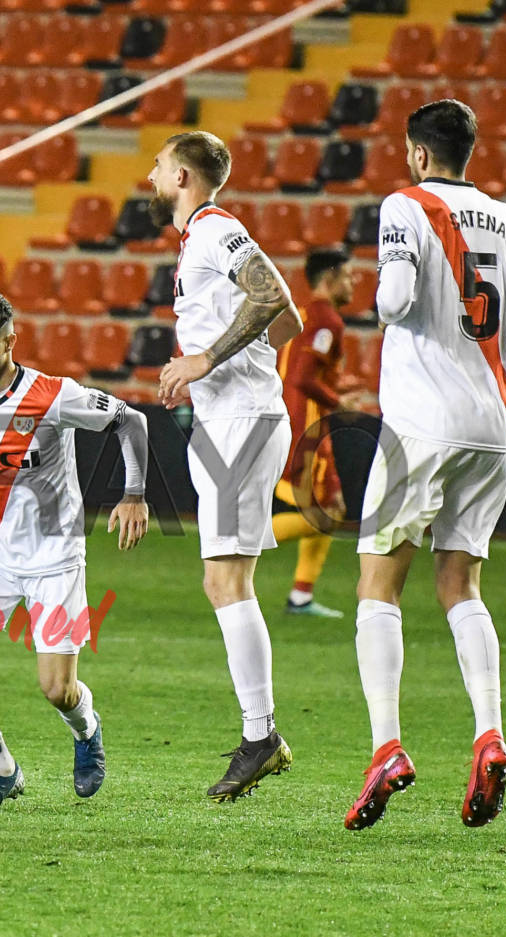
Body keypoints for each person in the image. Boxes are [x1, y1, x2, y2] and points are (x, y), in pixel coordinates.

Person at [345, 100, 506, 831]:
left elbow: (395, 298)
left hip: (420, 422)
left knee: (379, 583)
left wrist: (388, 293)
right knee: (461, 582)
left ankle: (386, 746)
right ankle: (490, 732)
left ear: (417, 152)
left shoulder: (404, 204)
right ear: (470, 150)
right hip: (491, 426)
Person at [0, 291, 149, 813]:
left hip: (54, 557)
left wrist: (135, 494)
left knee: (57, 690)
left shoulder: (54, 396)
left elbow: (132, 421)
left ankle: (87, 728)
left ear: (11, 340)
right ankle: (2, 771)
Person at [148, 131, 303, 802]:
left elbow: (272, 297)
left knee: (225, 580)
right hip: (229, 420)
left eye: (158, 164)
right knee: (224, 579)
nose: (150, 172)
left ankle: (261, 734)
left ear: (182, 175)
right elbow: (289, 319)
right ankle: (258, 732)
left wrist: (208, 362)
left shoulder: (215, 229)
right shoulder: (202, 239)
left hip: (240, 421)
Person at [271, 247, 353, 619]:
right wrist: (339, 399)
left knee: (331, 508)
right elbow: (303, 377)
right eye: (349, 277)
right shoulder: (327, 321)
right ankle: (242, 538)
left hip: (290, 418)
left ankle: (301, 596)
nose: (354, 284)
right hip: (307, 425)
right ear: (330, 279)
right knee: (326, 514)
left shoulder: (298, 314)